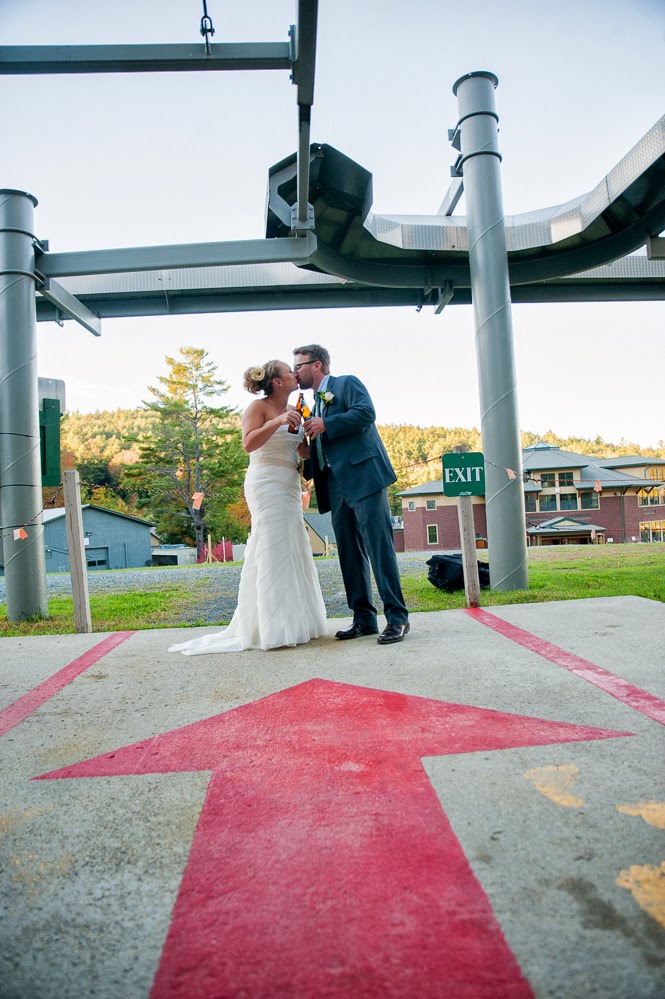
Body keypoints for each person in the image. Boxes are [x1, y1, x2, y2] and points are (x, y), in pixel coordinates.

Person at [169, 360, 327, 655]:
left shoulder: (295, 408)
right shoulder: (259, 408)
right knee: (271, 547)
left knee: (293, 546)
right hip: (265, 482)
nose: (295, 374)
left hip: (289, 484)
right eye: (288, 371)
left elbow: (300, 450)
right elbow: (249, 443)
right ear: (277, 382)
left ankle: (297, 623)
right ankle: (271, 627)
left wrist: (308, 437)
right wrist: (277, 422)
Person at [293, 344, 410, 644]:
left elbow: (366, 413)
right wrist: (309, 452)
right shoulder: (314, 402)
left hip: (365, 476)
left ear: (317, 365)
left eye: (299, 366)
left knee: (378, 547)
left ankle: (397, 619)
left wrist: (326, 423)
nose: (296, 372)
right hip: (335, 483)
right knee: (348, 552)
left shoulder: (347, 383)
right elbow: (325, 442)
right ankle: (363, 619)